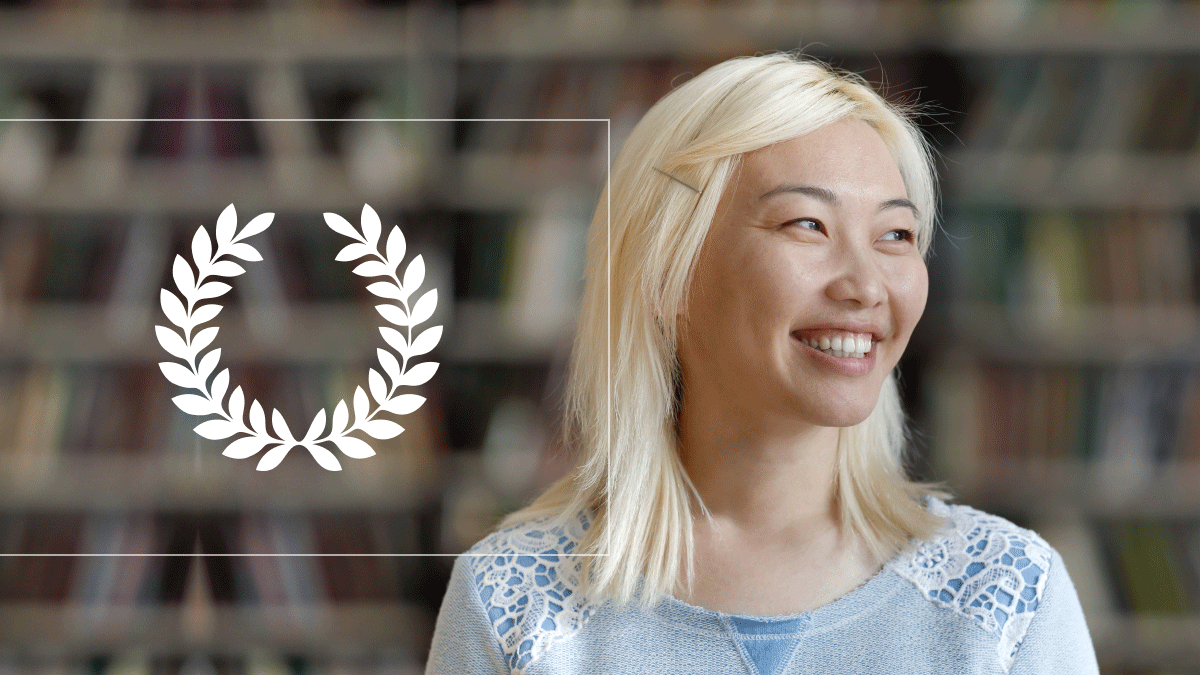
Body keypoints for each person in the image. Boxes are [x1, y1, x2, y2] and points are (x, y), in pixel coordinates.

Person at [426, 53, 1099, 675]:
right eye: (806, 224)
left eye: (896, 234)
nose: (866, 285)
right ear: (668, 272)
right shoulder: (512, 602)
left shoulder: (1010, 600)